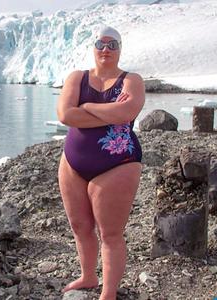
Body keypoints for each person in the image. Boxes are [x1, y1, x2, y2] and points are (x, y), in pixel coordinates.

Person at [56, 25, 145, 300]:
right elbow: (65, 115)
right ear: (93, 48)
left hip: (118, 164)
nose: (106, 49)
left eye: (112, 45)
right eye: (101, 44)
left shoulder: (132, 80)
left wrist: (88, 107)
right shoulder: (77, 78)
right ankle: (88, 276)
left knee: (111, 233)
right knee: (80, 226)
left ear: (120, 49)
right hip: (73, 163)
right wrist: (110, 112)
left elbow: (128, 111)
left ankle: (108, 294)